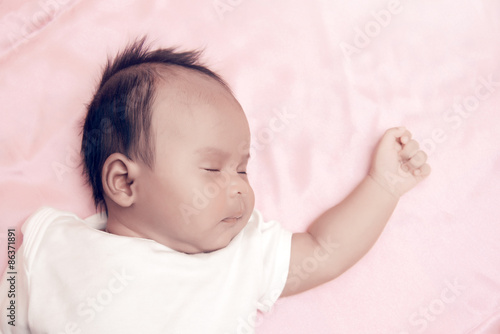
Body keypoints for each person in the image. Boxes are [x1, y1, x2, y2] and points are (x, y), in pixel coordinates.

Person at [0, 38, 430, 333]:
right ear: (124, 181)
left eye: (242, 169)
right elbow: (11, 306)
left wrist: (383, 185)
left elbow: (321, 250)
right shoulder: (49, 242)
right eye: (212, 170)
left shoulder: (240, 255)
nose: (239, 188)